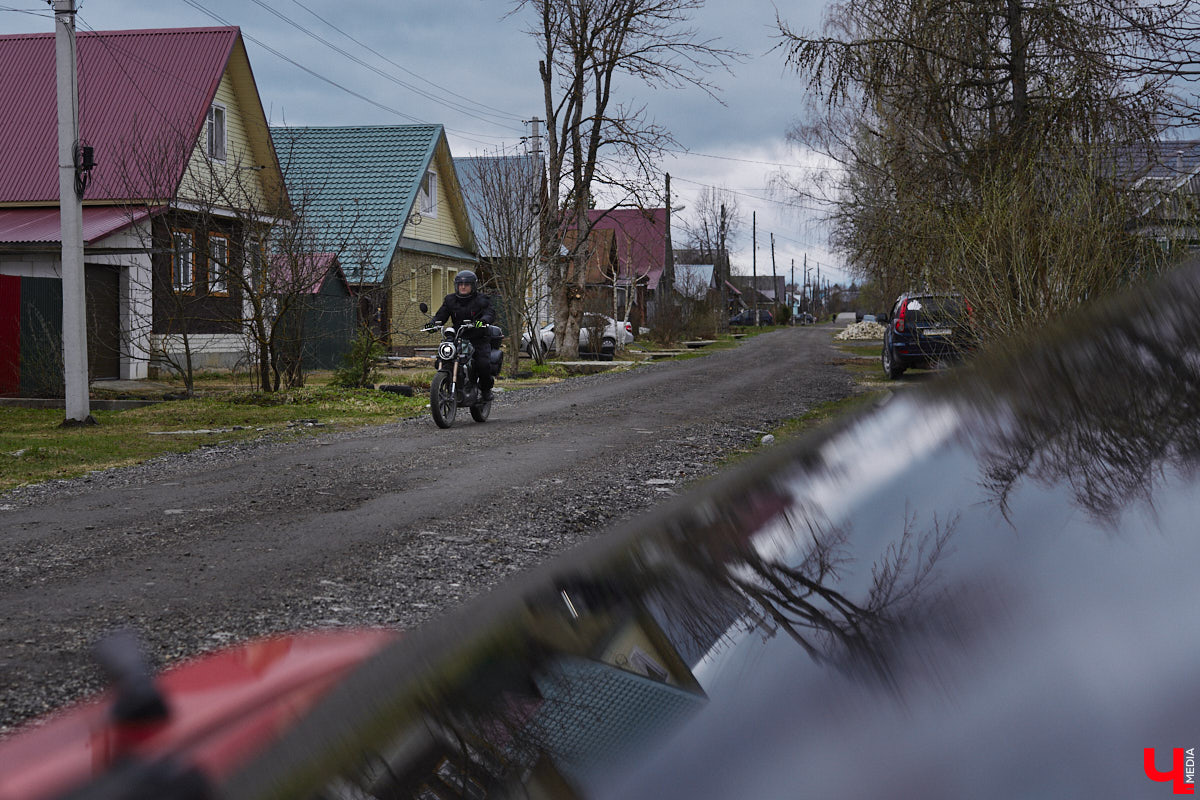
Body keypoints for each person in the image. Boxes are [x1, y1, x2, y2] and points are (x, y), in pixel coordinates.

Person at [430, 269, 496, 402]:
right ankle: (447, 385)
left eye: (466, 284)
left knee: (483, 364)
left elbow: (490, 313)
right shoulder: (450, 300)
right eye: (460, 284)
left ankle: (485, 390)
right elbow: (441, 316)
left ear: (473, 286)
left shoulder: (482, 299)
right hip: (459, 338)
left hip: (478, 338)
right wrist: (431, 324)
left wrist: (482, 322)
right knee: (442, 359)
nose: (463, 287)